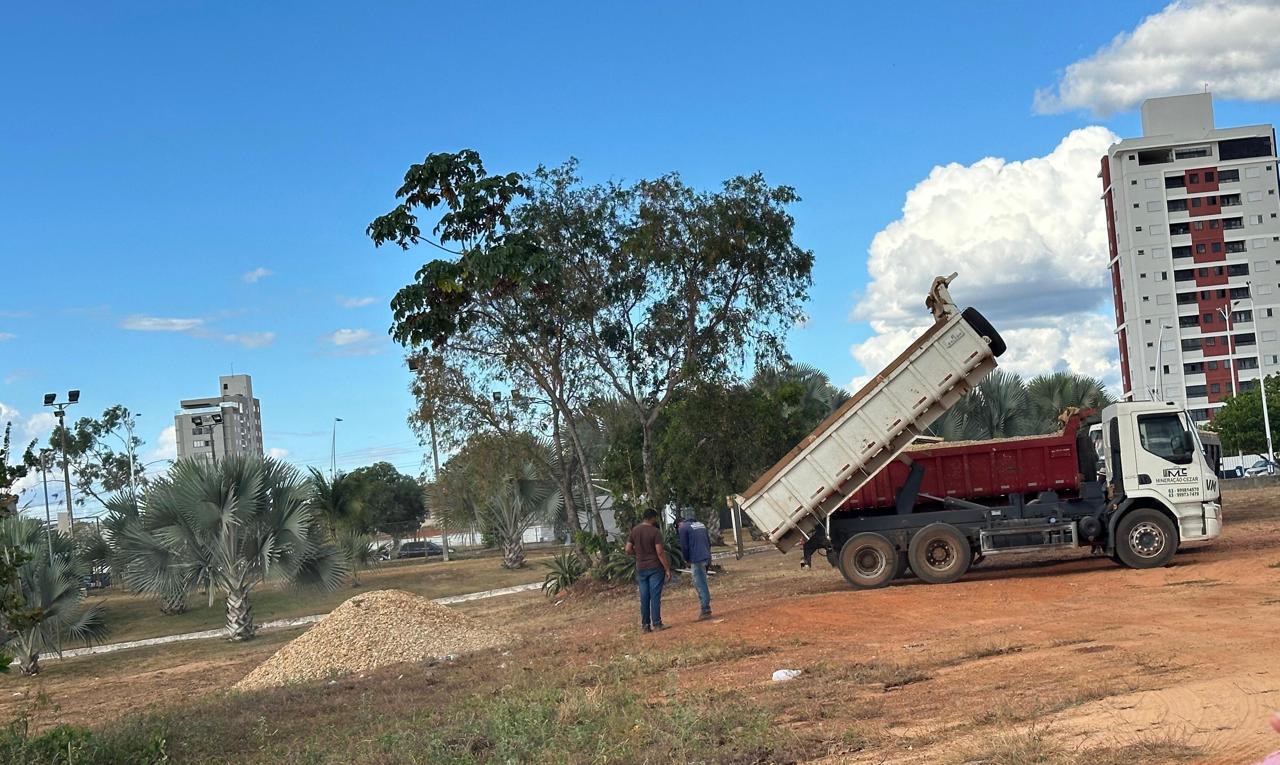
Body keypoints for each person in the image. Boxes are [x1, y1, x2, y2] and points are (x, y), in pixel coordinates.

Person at [625, 509, 671, 632]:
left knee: (644, 597)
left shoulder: (635, 530)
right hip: (655, 567)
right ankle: (657, 623)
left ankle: (645, 625)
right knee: (655, 596)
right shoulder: (655, 532)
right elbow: (660, 552)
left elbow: (628, 549)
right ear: (652, 518)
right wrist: (667, 568)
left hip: (641, 567)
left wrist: (638, 553)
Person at [678, 509, 712, 620]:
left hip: (696, 558)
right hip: (706, 556)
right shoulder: (701, 525)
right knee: (703, 582)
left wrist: (686, 559)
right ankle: (705, 607)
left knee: (700, 583)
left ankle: (705, 609)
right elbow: (708, 542)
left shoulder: (683, 528)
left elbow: (684, 547)